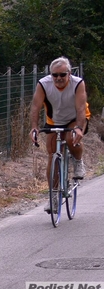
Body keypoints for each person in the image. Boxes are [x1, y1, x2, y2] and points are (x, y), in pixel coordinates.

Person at [29, 56, 90, 213]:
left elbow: (81, 109)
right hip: (54, 120)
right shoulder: (44, 84)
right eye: (55, 75)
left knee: (71, 138)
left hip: (75, 118)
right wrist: (34, 128)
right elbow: (35, 107)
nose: (58, 78)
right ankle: (53, 197)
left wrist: (78, 128)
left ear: (69, 73)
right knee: (52, 154)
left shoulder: (78, 83)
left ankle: (78, 161)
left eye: (62, 75)